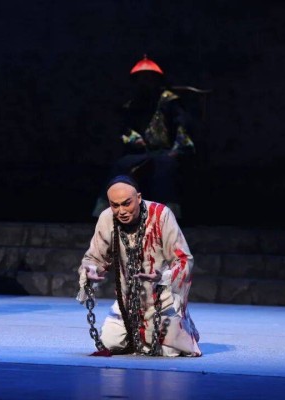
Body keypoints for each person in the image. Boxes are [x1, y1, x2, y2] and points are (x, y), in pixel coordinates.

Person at [78, 175, 201, 356]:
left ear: (138, 198)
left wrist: (163, 277)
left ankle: (183, 323)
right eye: (115, 205)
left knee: (169, 351)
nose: (121, 211)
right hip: (127, 299)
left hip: (161, 296)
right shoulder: (107, 218)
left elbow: (183, 259)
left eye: (126, 204)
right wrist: (90, 270)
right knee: (110, 343)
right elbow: (94, 257)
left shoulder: (161, 214)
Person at [94, 56, 195, 218]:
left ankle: (168, 215)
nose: (145, 83)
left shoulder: (169, 101)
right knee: (121, 165)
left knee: (164, 167)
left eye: (149, 78)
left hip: (166, 151)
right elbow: (126, 129)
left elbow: (182, 127)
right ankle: (107, 211)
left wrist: (177, 150)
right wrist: (134, 139)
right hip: (143, 151)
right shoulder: (134, 103)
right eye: (141, 79)